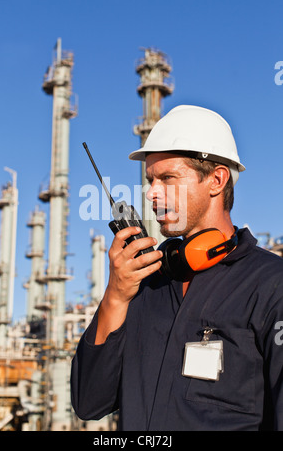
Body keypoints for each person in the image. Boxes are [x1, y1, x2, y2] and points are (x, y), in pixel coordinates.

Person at [71, 105, 283, 431]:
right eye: (150, 180)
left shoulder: (271, 285)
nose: (152, 193)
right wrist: (115, 296)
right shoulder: (146, 284)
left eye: (168, 178)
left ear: (216, 179)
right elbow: (89, 402)